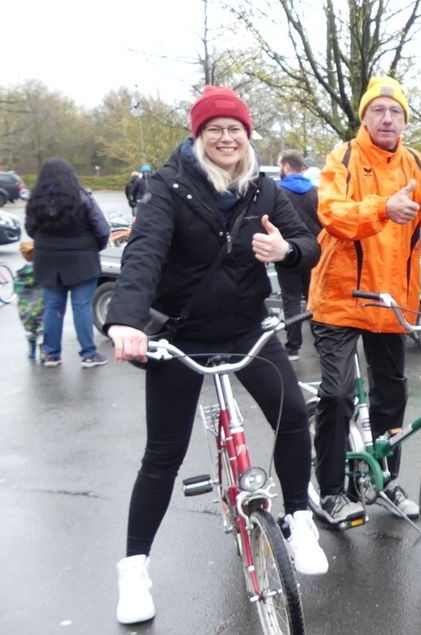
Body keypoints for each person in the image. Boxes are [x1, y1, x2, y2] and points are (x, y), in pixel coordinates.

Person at [104, 85, 328, 625]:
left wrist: (287, 250)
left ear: (247, 137)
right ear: (198, 136)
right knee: (163, 454)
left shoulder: (263, 189)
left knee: (294, 415)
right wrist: (125, 321)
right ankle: (134, 568)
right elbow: (144, 254)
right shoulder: (165, 186)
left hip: (245, 330)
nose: (227, 138)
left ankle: (299, 517)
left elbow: (310, 244)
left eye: (235, 129)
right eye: (215, 130)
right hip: (179, 337)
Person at [309, 75, 421, 525]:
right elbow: (331, 213)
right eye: (378, 111)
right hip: (340, 296)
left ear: (405, 120)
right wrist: (382, 209)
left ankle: (384, 480)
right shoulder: (344, 157)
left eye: (395, 112)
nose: (387, 118)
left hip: (391, 301)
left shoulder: (415, 164)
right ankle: (330, 490)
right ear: (365, 117)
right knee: (335, 395)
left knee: (393, 397)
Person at [24, 157, 111, 368]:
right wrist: (92, 248)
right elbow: (102, 229)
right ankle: (89, 354)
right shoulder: (82, 198)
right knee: (82, 307)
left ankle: (52, 354)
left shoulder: (35, 201)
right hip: (82, 261)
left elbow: (30, 230)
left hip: (47, 261)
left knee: (53, 307)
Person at [275, 149, 321, 360]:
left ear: (286, 166)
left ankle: (293, 347)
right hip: (313, 253)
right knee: (314, 299)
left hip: (287, 252)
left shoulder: (278, 193)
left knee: (291, 299)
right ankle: (321, 343)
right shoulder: (315, 192)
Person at [15, 239, 44, 360]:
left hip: (25, 310)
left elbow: (17, 291)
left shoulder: (21, 275)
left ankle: (31, 350)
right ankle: (43, 351)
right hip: (40, 307)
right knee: (43, 329)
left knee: (30, 331)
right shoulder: (42, 272)